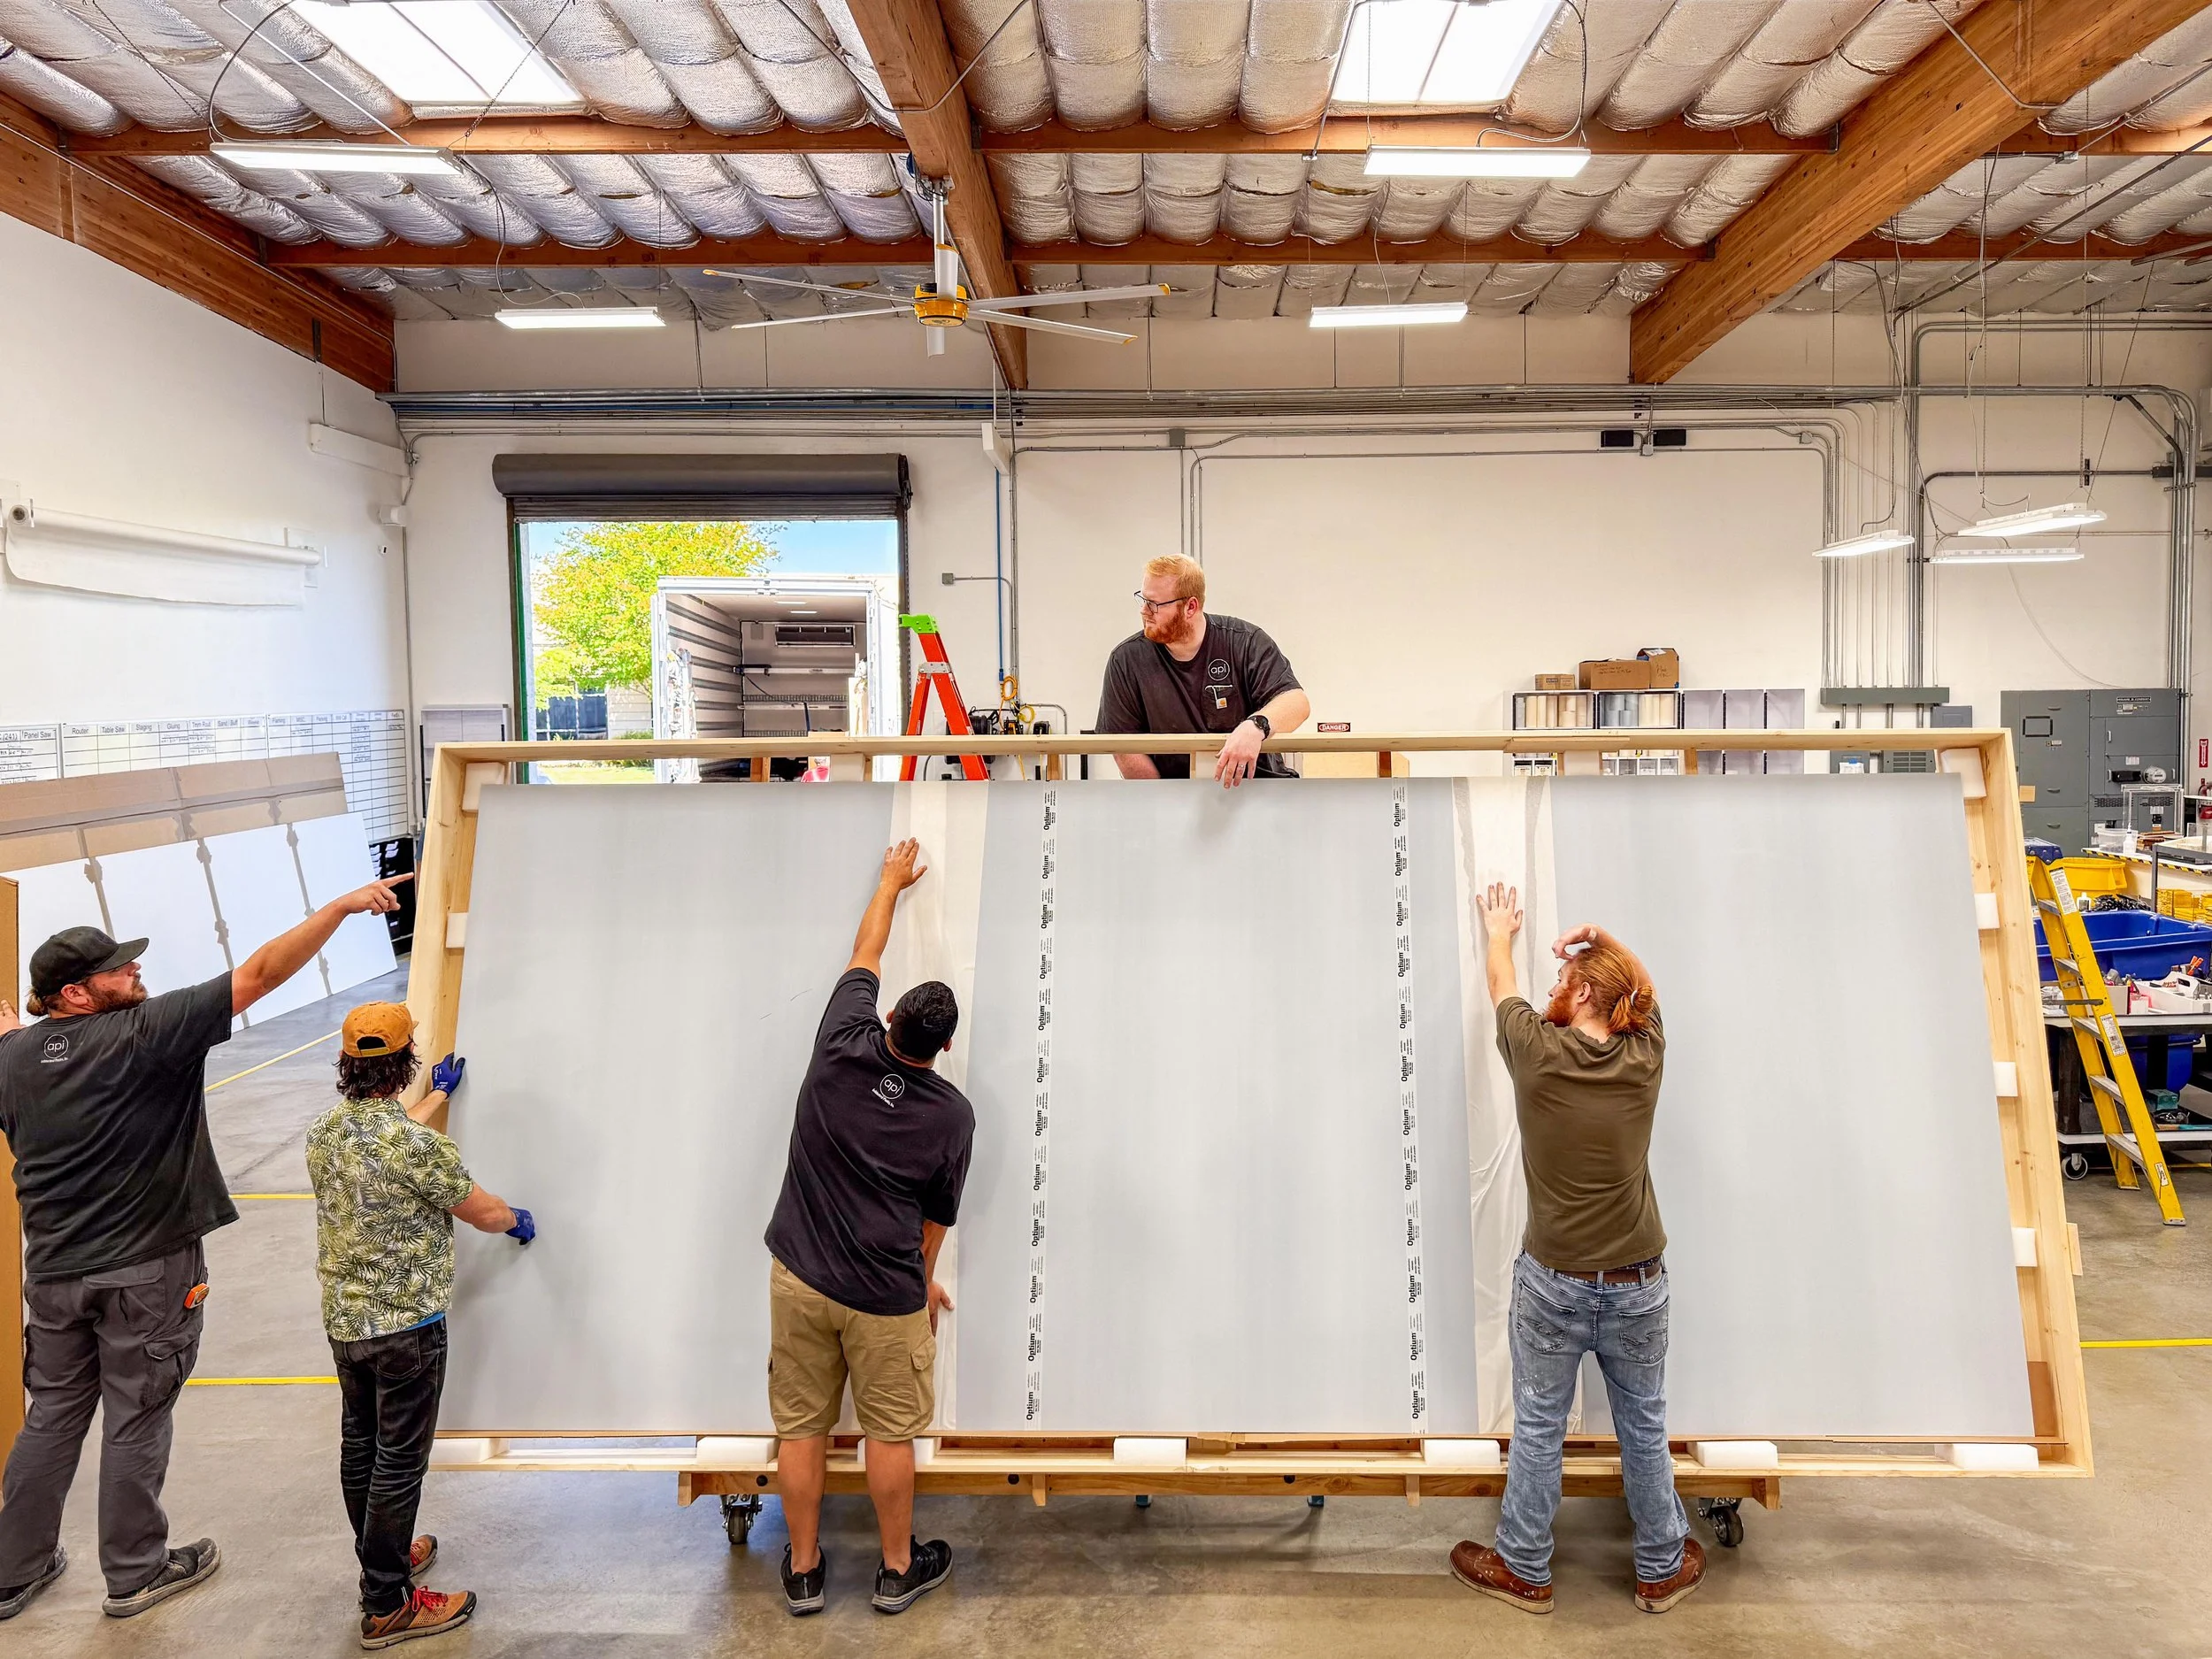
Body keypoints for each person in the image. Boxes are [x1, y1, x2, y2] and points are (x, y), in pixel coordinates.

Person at [0, 876, 409, 1623]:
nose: (137, 975)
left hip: (53, 1272)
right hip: (145, 1271)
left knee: (52, 1414)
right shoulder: (145, 1032)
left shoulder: (15, 1057)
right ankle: (136, 1572)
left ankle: (11, 1570)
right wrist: (341, 907)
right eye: (119, 971)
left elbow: (20, 1052)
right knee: (137, 1415)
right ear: (78, 994)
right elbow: (260, 973)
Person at [1448, 890, 1702, 1617]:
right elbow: (1645, 997)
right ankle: (1661, 1566)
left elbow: (1503, 983)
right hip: (1638, 1284)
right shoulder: (1643, 1056)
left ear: (1585, 990)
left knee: (1537, 1425)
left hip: (1553, 1285)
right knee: (1644, 1427)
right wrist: (1606, 937)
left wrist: (1497, 931)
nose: (1550, 990)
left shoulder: (1536, 1052)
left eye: (1563, 981)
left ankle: (1525, 1567)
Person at [763, 839, 974, 1618]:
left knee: (802, 1426)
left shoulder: (839, 1042)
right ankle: (894, 1570)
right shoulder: (951, 1114)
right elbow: (937, 1216)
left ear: (888, 1016)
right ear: (944, 1048)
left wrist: (889, 879)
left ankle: (806, 1569)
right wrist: (920, 1284)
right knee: (888, 1433)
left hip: (801, 1277)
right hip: (885, 1295)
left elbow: (866, 948)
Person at [306, 1003, 534, 1650]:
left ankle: (387, 1557)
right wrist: (515, 1216)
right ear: (403, 1061)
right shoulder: (418, 1148)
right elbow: (481, 1210)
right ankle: (386, 1601)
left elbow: (383, 1140)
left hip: (347, 1325)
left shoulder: (324, 1130)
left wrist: (436, 1096)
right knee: (400, 1463)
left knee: (362, 1449)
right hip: (407, 1332)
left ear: (348, 1063)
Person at [1096, 553, 1311, 787]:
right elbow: (1123, 747)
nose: (1144, 611)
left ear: (1190, 606)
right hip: (1174, 795)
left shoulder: (1245, 642)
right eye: (1143, 599)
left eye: (1154, 604)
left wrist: (1255, 726)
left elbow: (1296, 702)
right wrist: (1165, 803)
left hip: (1258, 788)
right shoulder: (1126, 660)